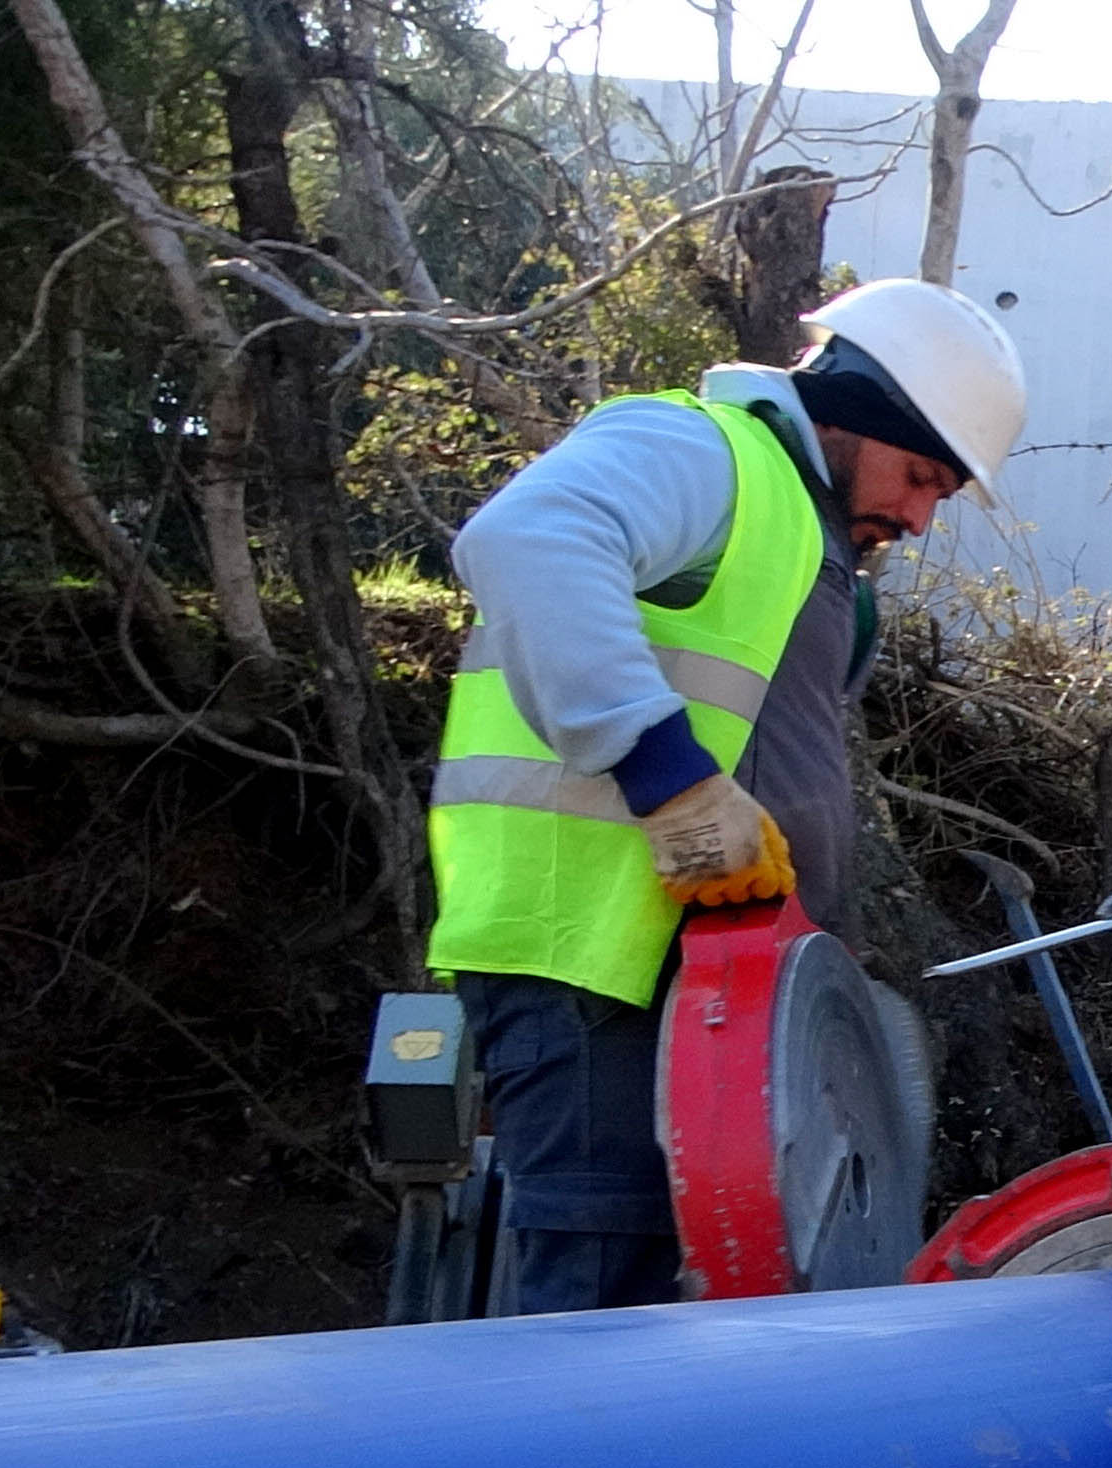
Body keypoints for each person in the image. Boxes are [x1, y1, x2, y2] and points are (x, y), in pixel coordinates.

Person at [426, 279, 1025, 1314]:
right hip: (592, 972)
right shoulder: (705, 450)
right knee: (601, 1317)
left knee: (689, 1320)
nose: (921, 517)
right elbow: (526, 539)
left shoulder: (802, 531)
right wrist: (669, 779)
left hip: (705, 990)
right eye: (920, 476)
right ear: (857, 412)